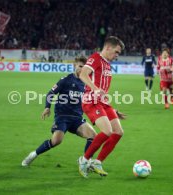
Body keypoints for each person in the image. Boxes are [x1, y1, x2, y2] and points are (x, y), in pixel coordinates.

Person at [21, 56, 97, 167]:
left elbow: (92, 100)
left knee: (94, 136)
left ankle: (85, 162)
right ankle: (33, 155)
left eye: (84, 67)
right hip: (62, 117)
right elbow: (50, 93)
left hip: (77, 118)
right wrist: (47, 107)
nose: (82, 69)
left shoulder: (87, 84)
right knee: (56, 141)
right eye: (80, 66)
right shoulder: (65, 80)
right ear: (74, 66)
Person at [78, 36, 126, 178]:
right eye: (116, 52)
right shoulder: (95, 58)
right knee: (107, 131)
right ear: (108, 47)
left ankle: (97, 162)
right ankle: (84, 160)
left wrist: (114, 111)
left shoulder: (107, 64)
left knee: (118, 132)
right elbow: (83, 74)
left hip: (103, 102)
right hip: (91, 100)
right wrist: (94, 88)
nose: (117, 55)